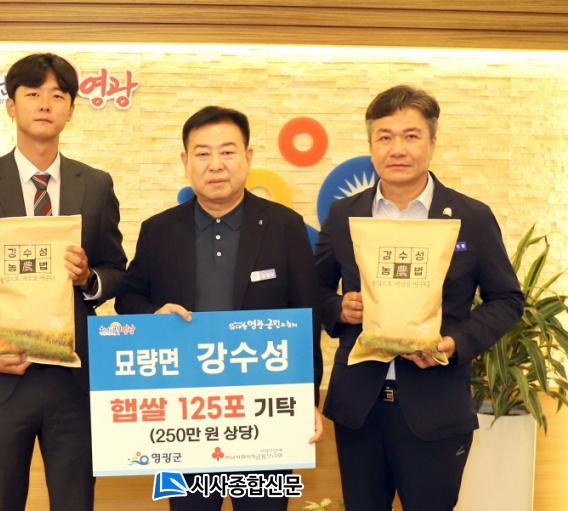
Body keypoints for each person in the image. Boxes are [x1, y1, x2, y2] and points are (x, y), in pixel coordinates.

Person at [315, 85, 524, 511]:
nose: (397, 149)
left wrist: (455, 343)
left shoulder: (471, 217)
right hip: (359, 409)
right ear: (371, 145)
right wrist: (339, 308)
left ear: (432, 141)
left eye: (411, 136)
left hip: (436, 408)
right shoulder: (343, 215)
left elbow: (506, 299)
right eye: (385, 136)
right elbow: (313, 290)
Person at [0, 53, 127, 511]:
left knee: (75, 501)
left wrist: (89, 278)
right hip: (2, 378)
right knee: (0, 501)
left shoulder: (95, 184)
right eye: (33, 93)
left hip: (72, 381)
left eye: (57, 95)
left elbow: (116, 269)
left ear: (71, 110)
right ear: (11, 106)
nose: (45, 104)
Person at [116, 105, 323, 511]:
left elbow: (307, 317)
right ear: (185, 161)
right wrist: (154, 317)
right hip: (184, 416)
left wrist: (309, 399)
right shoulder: (159, 230)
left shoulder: (284, 226)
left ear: (248, 157)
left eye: (227, 152)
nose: (215, 164)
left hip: (263, 414)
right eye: (202, 153)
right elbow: (128, 298)